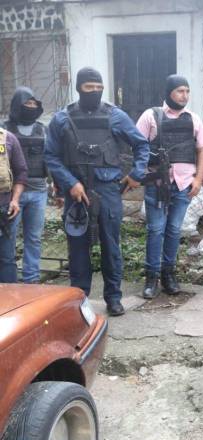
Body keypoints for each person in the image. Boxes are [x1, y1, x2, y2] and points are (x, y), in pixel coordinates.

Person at [44, 67, 149, 316]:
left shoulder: (115, 116)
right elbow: (51, 156)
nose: (94, 91)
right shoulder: (61, 119)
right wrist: (70, 183)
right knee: (78, 249)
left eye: (98, 87)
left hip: (108, 191)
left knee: (111, 247)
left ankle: (113, 298)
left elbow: (141, 144)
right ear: (79, 88)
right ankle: (79, 299)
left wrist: (136, 174)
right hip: (76, 194)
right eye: (89, 87)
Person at [136, 75, 203, 299]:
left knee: (174, 230)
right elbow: (137, 146)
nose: (184, 96)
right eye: (180, 91)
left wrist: (198, 180)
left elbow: (202, 150)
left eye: (187, 91)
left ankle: (169, 275)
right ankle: (151, 278)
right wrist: (143, 174)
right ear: (169, 92)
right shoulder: (151, 116)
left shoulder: (193, 119)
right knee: (155, 230)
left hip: (184, 184)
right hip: (157, 184)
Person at [3, 87, 54, 283]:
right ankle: (9, 281)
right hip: (11, 194)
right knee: (8, 238)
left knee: (33, 238)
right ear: (17, 105)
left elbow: (50, 158)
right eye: (27, 103)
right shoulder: (4, 129)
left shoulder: (43, 129)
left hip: (39, 191)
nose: (31, 107)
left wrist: (55, 185)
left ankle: (31, 280)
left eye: (34, 103)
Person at [0, 127, 27, 283]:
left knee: (6, 258)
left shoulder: (8, 138)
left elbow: (21, 172)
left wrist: (15, 200)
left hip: (4, 210)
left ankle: (9, 297)